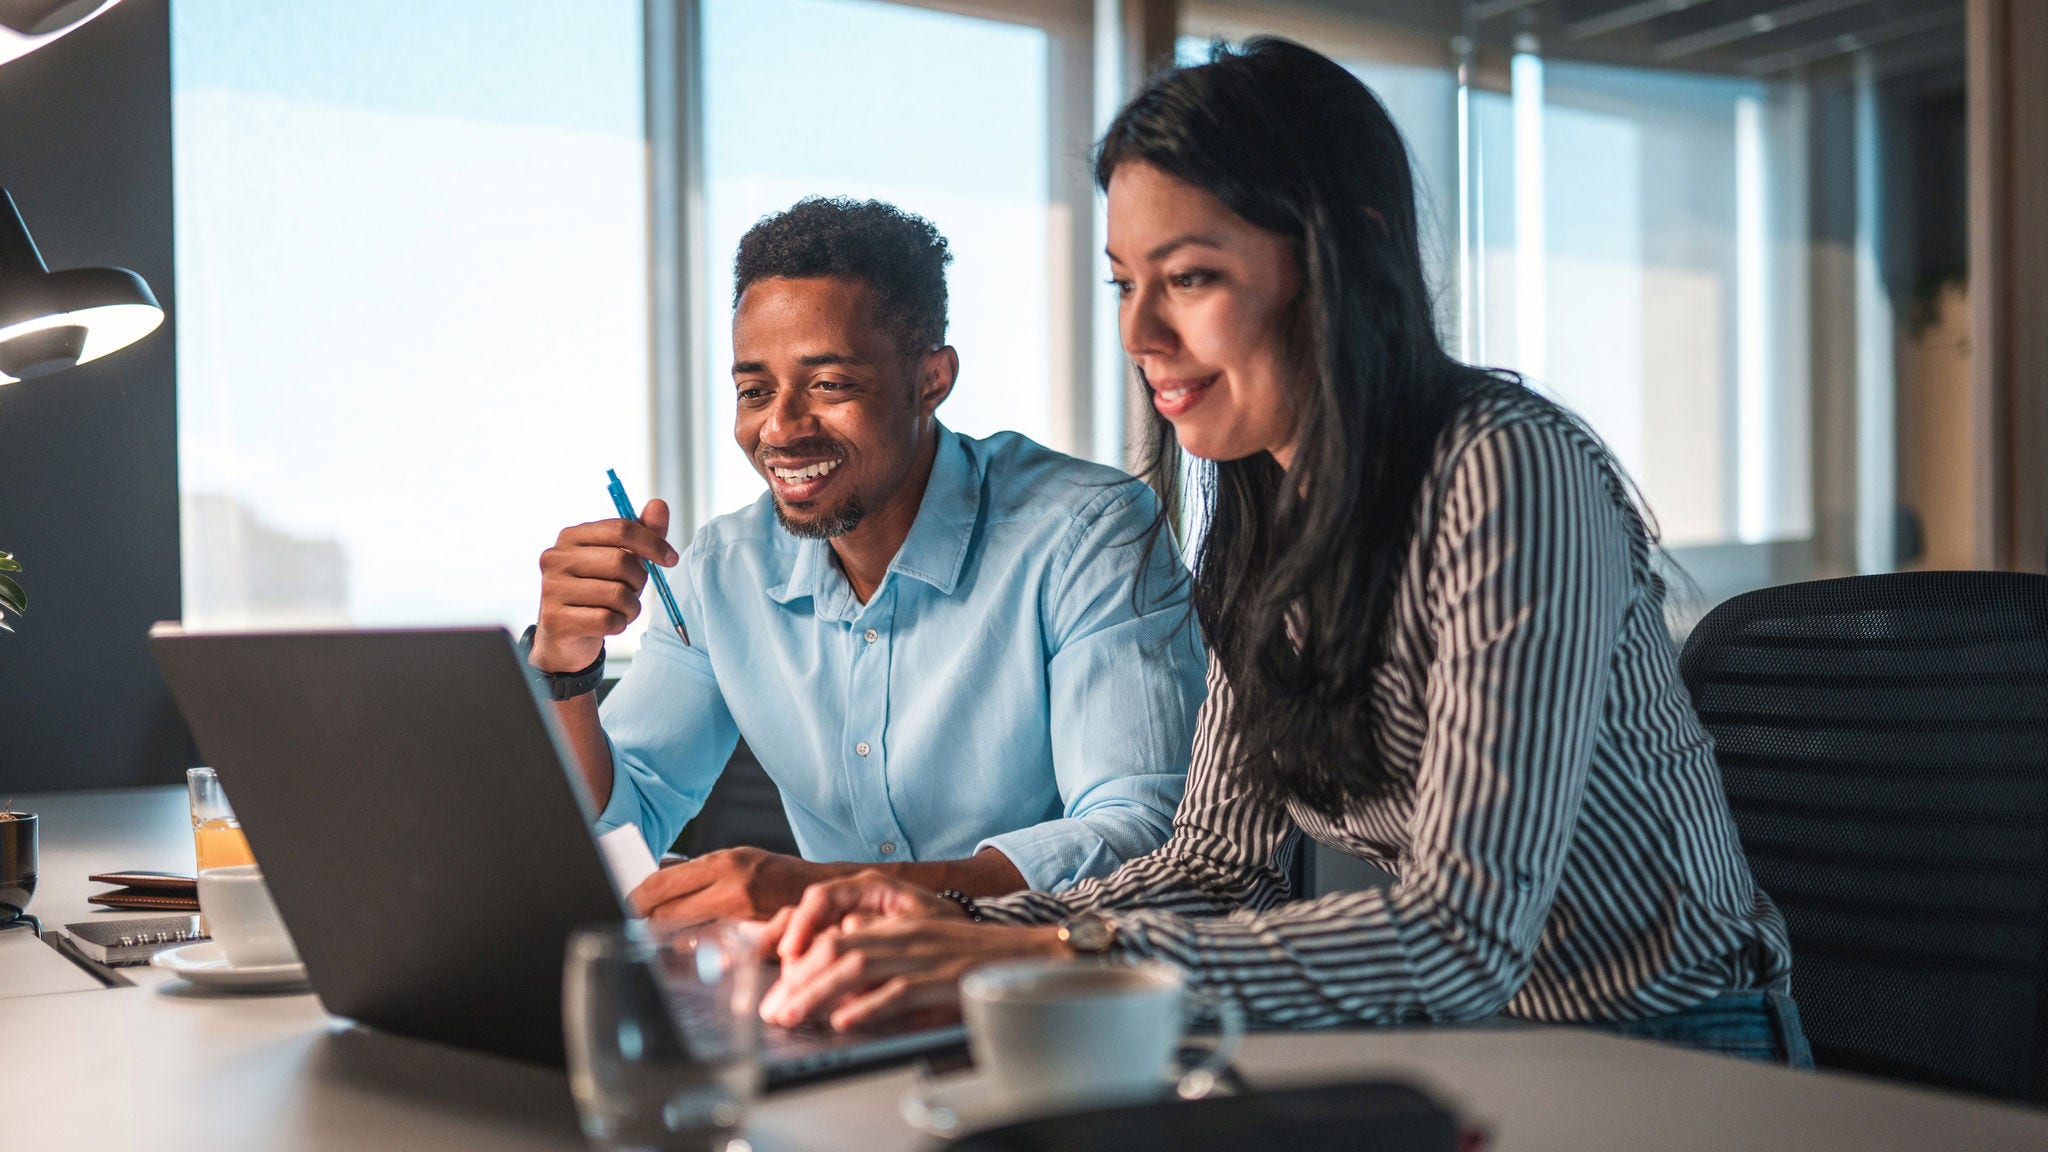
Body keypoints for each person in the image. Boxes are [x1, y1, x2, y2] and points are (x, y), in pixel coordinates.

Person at [753, 41, 1810, 1067]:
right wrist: (948, 920)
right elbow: (1219, 863)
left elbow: (1462, 937)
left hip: (1667, 1046)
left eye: (1191, 277)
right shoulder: (1269, 510)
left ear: (1336, 260)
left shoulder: (1505, 469)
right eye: (1125, 283)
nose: (1140, 335)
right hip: (1468, 1049)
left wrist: (1031, 949)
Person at [526, 198, 1206, 922]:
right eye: (754, 391)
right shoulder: (719, 573)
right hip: (836, 1005)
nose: (780, 428)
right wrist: (567, 673)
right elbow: (621, 827)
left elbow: (1142, 840)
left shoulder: (1088, 532)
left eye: (829, 384)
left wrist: (830, 893)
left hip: (1055, 994)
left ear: (931, 380)